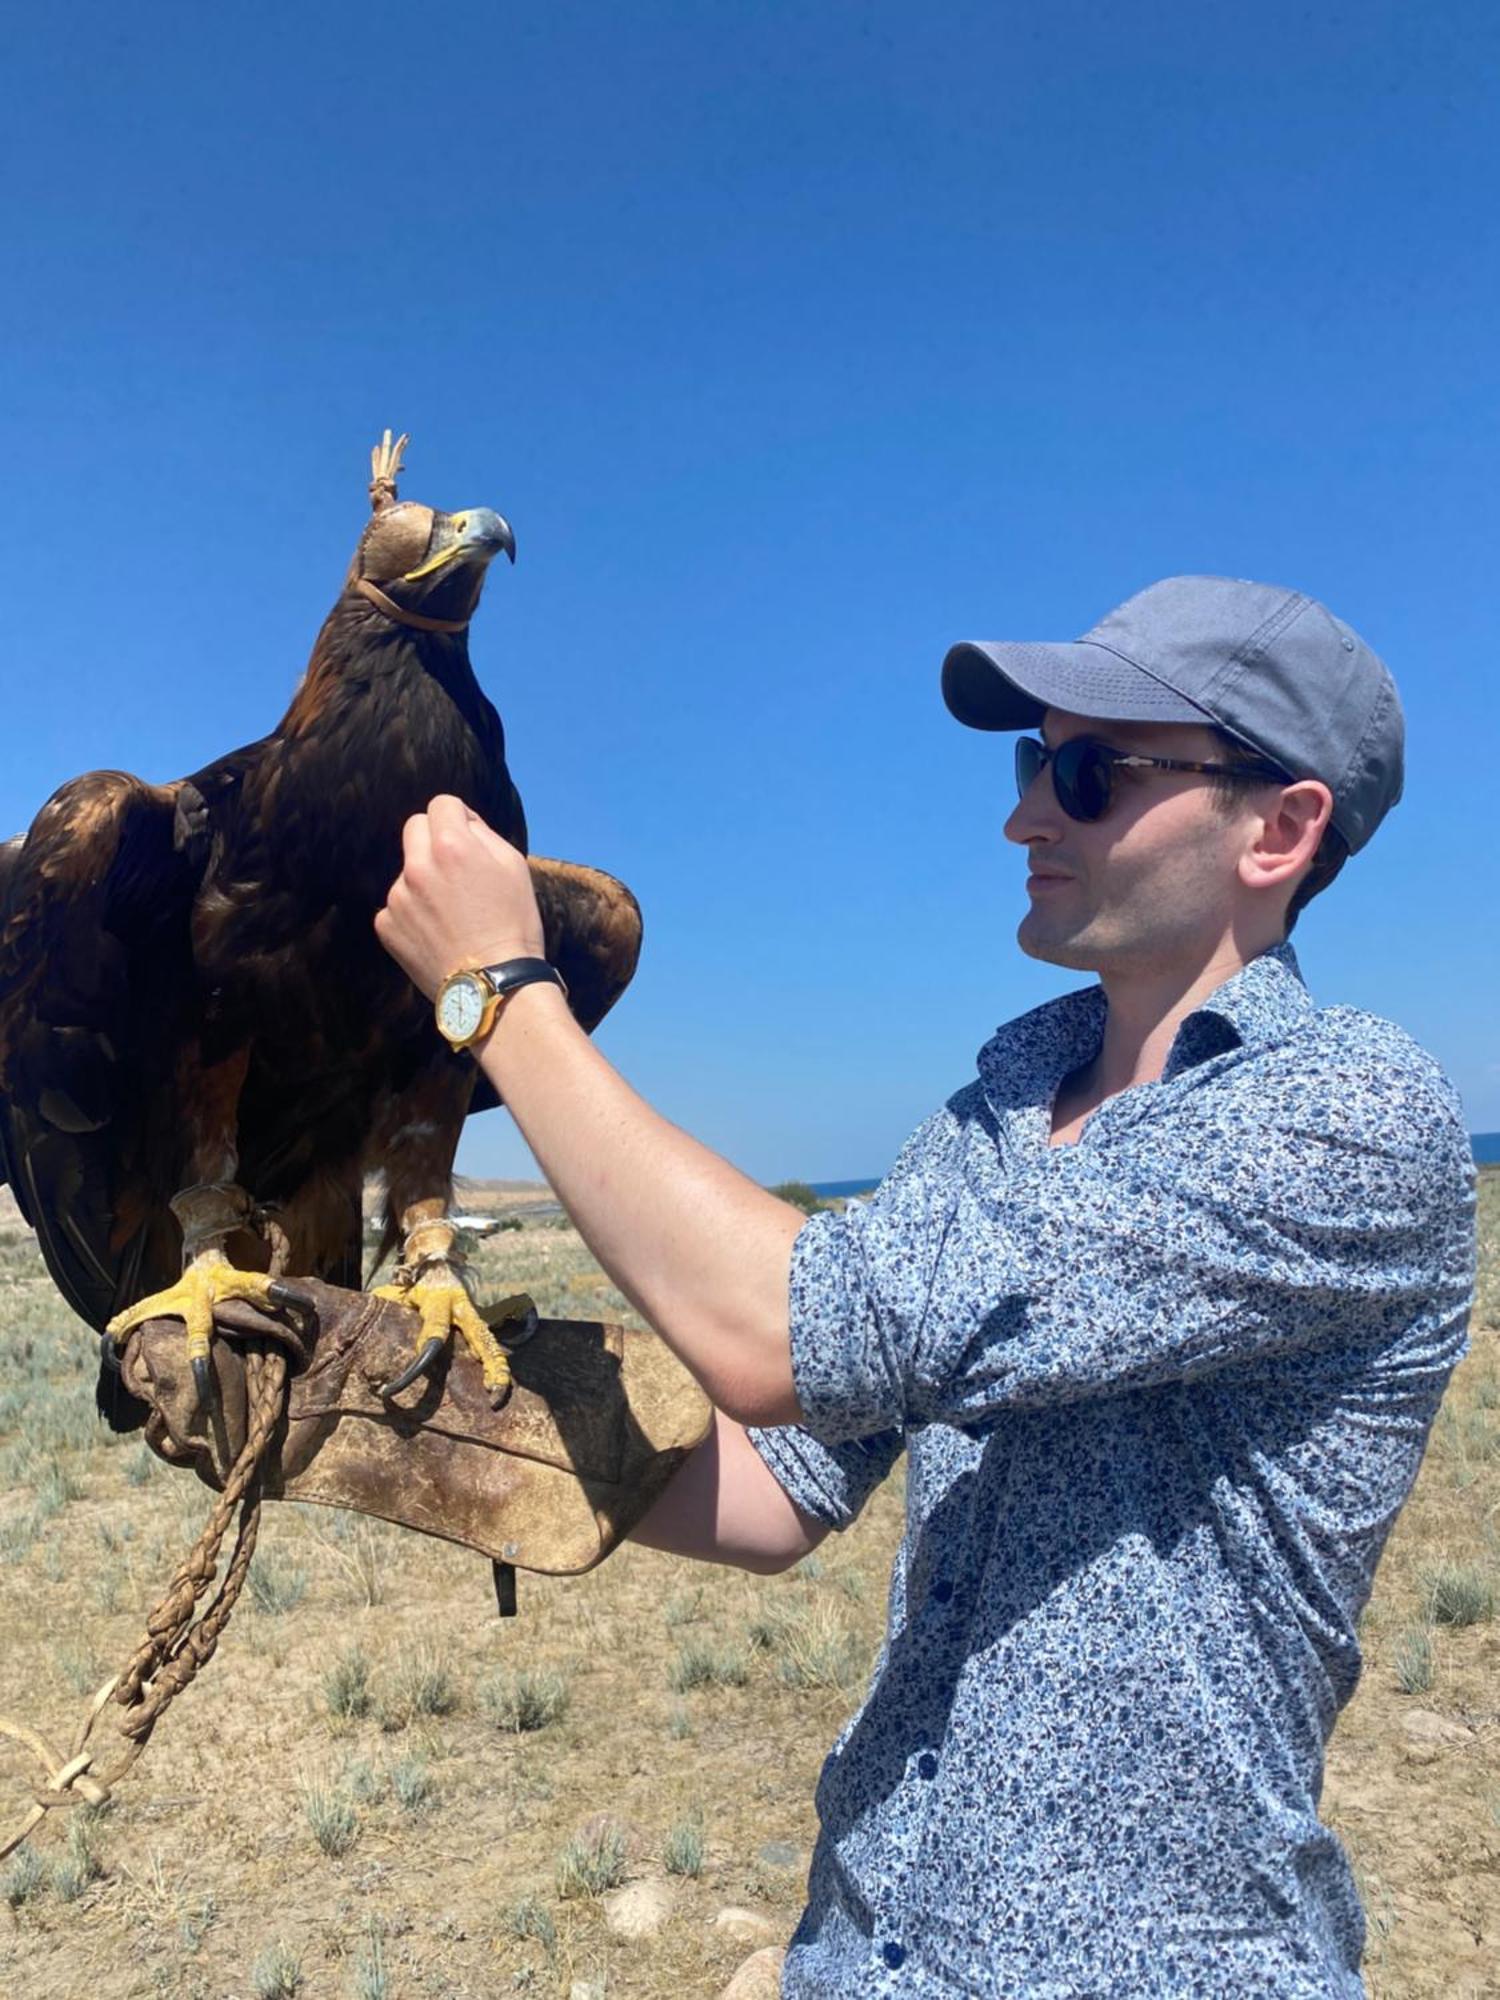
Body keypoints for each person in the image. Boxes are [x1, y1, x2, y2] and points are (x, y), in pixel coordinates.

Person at [374, 574, 1476, 1998]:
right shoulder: (995, 1113)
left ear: (1281, 828)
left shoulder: (1349, 1117)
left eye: (1087, 773)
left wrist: (499, 992)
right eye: (1034, 765)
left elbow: (780, 1331)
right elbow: (777, 1488)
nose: (1026, 815)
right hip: (866, 1956)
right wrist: (409, 1427)